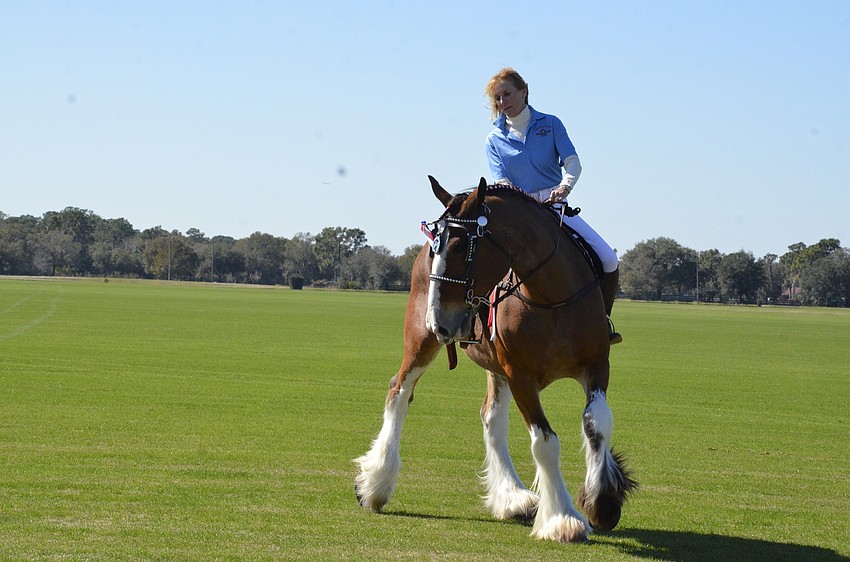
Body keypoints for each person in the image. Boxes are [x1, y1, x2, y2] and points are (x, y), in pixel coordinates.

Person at [484, 67, 622, 344]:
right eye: (497, 98)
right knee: (482, 261)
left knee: (608, 259)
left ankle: (602, 323)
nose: (502, 102)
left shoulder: (551, 124)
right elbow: (500, 179)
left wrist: (564, 187)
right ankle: (476, 327)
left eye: (507, 94)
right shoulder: (493, 139)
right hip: (518, 214)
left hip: (555, 205)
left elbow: (572, 161)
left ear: (523, 91)